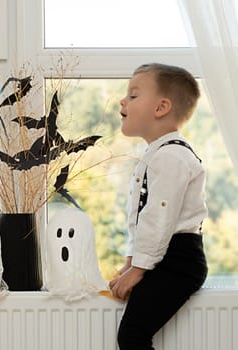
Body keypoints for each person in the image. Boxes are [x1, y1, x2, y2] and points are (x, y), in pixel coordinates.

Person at [109, 63, 208, 350]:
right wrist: (131, 261)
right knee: (132, 333)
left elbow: (159, 218)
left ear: (161, 107)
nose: (122, 101)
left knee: (133, 334)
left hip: (178, 260)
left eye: (134, 95)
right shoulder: (156, 154)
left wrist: (139, 270)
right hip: (161, 255)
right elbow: (140, 218)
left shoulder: (171, 157)